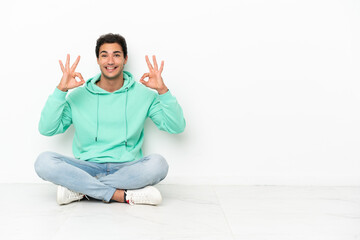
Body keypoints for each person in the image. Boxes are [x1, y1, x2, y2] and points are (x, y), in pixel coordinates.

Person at [34, 33, 186, 206]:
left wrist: (163, 91)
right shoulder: (78, 96)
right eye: (104, 55)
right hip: (86, 167)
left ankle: (81, 190)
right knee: (43, 162)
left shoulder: (143, 95)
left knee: (159, 164)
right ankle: (123, 196)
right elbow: (47, 129)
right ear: (98, 60)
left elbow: (177, 127)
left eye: (116, 55)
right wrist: (61, 90)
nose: (110, 61)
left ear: (125, 59)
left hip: (127, 168)